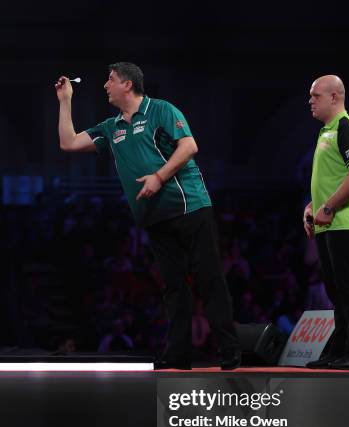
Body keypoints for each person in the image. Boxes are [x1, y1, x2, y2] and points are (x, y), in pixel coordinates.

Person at [55, 62, 241, 369]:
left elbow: (189, 146)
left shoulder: (162, 110)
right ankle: (178, 355)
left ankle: (229, 350)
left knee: (209, 279)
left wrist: (158, 177)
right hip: (155, 217)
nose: (105, 85)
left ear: (127, 84)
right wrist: (65, 101)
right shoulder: (111, 127)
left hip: (189, 206)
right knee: (173, 287)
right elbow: (69, 142)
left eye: (110, 80)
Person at [303, 75, 349, 370]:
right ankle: (339, 351)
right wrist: (311, 207)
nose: (310, 100)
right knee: (336, 291)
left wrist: (329, 207)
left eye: (315, 95)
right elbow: (332, 179)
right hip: (331, 224)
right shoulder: (326, 132)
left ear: (334, 97)